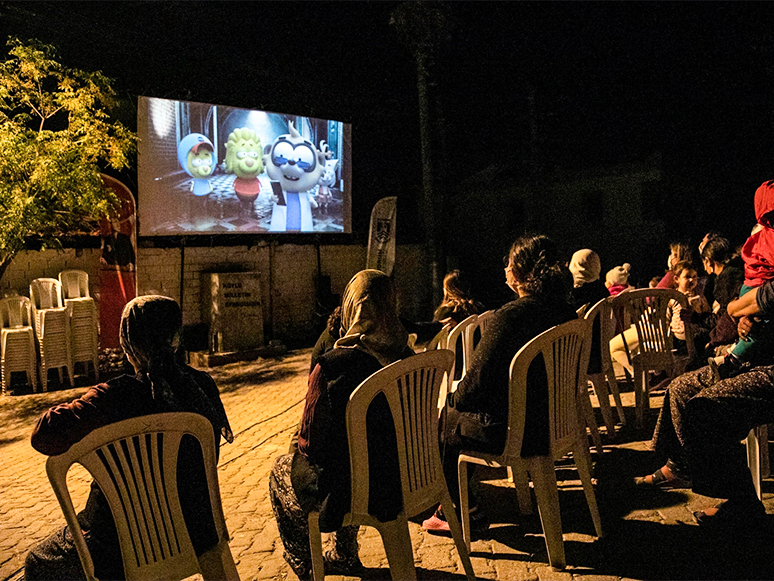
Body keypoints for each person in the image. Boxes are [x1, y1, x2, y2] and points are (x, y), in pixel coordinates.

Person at [24, 296, 233, 580]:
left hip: (118, 548)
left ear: (127, 345)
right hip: (198, 536)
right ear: (176, 338)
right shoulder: (202, 388)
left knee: (38, 560)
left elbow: (43, 436)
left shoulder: (110, 398)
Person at [422, 234, 577, 534]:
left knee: (446, 420)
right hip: (556, 423)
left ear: (518, 272)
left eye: (508, 262)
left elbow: (474, 389)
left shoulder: (511, 316)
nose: (504, 268)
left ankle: (462, 509)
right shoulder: (565, 311)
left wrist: (450, 404)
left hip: (519, 432)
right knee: (456, 414)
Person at [269, 270, 413, 580]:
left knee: (283, 469)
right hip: (404, 478)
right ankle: (344, 554)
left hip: (349, 493)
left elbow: (310, 444)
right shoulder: (410, 357)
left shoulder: (333, 366)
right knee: (355, 455)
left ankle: (306, 564)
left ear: (350, 306)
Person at [636, 281, 774, 526]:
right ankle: (680, 466)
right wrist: (747, 318)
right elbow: (743, 311)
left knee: (707, 407)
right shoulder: (757, 271)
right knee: (680, 388)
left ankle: (743, 503)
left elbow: (755, 301)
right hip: (752, 357)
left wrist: (742, 311)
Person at [711, 183, 774, 379]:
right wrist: (741, 316)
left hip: (764, 360)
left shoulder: (762, 238)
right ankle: (733, 359)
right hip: (756, 289)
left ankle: (733, 360)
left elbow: (758, 302)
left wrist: (737, 311)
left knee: (706, 398)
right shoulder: (767, 237)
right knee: (682, 388)